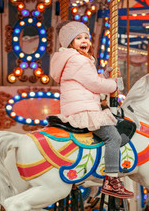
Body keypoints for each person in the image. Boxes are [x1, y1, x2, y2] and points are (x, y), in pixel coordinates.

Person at [50, 20, 134, 199]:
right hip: (84, 111)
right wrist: (114, 83)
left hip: (79, 107)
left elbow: (88, 82)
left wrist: (104, 75)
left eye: (86, 37)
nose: (84, 41)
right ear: (70, 43)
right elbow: (95, 85)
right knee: (113, 137)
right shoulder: (78, 60)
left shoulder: (72, 60)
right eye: (78, 38)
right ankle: (112, 180)